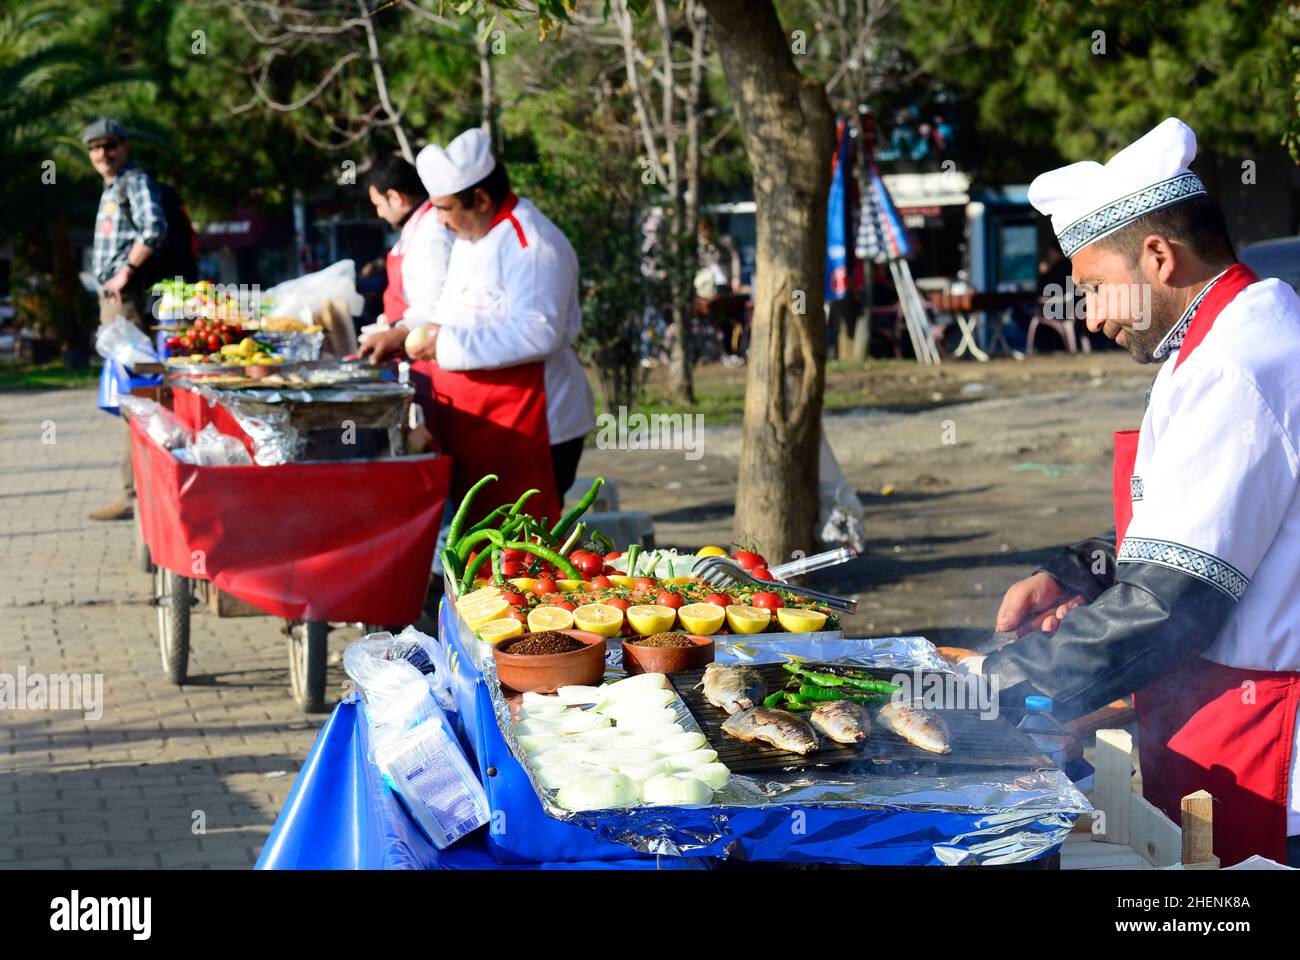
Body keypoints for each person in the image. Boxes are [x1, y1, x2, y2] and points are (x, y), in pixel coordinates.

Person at [940, 118, 1300, 867]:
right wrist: (1074, 572)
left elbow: (1174, 600)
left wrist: (990, 688)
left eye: (1096, 288)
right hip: (1213, 717)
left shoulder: (1238, 364)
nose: (1092, 315)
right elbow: (1200, 521)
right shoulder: (1223, 341)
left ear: (1159, 257)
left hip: (1269, 740)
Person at [400, 128, 596, 524]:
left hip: (532, 429)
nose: (438, 220)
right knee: (484, 545)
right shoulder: (473, 237)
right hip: (484, 425)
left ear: (481, 198)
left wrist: (445, 344)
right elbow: (462, 313)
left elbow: (539, 331)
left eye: (444, 208)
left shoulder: (531, 242)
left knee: (524, 552)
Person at [85, 118, 168, 522]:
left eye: (110, 146)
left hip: (127, 301)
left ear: (125, 146)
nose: (103, 154)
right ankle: (134, 491)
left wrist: (125, 273)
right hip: (114, 302)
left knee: (133, 395)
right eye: (95, 148)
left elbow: (154, 228)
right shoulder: (112, 186)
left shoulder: (134, 181)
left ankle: (137, 494)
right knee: (125, 394)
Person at [357, 154, 453, 359]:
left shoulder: (432, 231)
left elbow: (435, 303)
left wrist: (398, 330)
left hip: (425, 350)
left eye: (378, 205)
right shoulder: (414, 227)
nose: (379, 214)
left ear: (395, 197)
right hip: (408, 345)